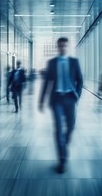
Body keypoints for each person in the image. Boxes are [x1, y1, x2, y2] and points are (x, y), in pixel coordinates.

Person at [39, 37, 83, 174]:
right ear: (57, 47)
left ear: (67, 47)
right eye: (60, 46)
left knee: (70, 127)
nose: (62, 48)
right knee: (58, 130)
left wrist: (77, 96)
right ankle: (62, 160)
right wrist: (41, 100)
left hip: (70, 98)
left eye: (65, 46)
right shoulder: (51, 63)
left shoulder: (74, 62)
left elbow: (80, 81)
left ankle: (64, 143)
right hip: (57, 99)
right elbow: (46, 83)